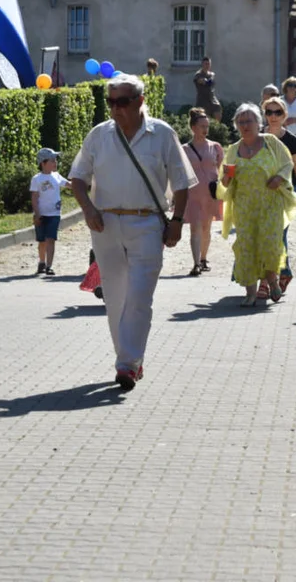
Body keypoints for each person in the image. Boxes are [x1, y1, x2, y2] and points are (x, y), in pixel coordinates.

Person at [69, 74, 198, 391]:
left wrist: (177, 221)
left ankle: (127, 364)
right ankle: (128, 359)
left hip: (147, 223)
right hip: (106, 225)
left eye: (122, 102)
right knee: (115, 299)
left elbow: (182, 183)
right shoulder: (99, 135)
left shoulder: (162, 134)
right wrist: (88, 209)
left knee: (139, 296)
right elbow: (78, 179)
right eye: (110, 102)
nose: (115, 109)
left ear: (140, 101)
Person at [217, 103, 296, 307]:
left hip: (270, 203)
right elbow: (225, 181)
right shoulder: (233, 150)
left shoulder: (270, 142)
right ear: (236, 125)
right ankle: (250, 293)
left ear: (258, 123)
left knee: (270, 243)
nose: (245, 125)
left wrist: (279, 178)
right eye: (241, 121)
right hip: (244, 206)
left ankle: (272, 280)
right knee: (246, 246)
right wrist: (226, 179)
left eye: (249, 121)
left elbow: (287, 164)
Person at [262, 95, 296, 295]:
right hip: (260, 193)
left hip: (284, 193)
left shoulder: (290, 140)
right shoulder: (258, 136)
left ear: (285, 115)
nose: (273, 116)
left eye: (278, 112)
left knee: (278, 235)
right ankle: (279, 274)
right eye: (269, 112)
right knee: (262, 236)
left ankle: (268, 281)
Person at [182, 107, 224, 276]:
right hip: (192, 195)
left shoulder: (216, 147)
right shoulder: (184, 149)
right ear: (193, 128)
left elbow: (220, 170)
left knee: (206, 227)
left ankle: (204, 258)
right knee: (195, 228)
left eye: (207, 126)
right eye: (202, 126)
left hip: (210, 194)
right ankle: (196, 263)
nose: (205, 130)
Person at [30, 148, 69, 275]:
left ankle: (49, 266)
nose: (55, 163)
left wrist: (82, 184)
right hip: (41, 214)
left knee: (51, 239)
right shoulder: (37, 179)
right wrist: (37, 213)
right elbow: (35, 197)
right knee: (42, 241)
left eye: (55, 160)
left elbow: (68, 184)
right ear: (43, 163)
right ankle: (41, 261)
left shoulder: (57, 176)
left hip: (54, 214)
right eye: (52, 160)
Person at [193, 56, 223, 121]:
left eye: (208, 64)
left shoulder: (212, 74)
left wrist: (211, 78)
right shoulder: (198, 74)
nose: (207, 66)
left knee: (218, 112)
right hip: (202, 100)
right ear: (202, 64)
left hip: (212, 99)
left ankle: (217, 128)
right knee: (205, 120)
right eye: (205, 64)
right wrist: (205, 80)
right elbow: (202, 81)